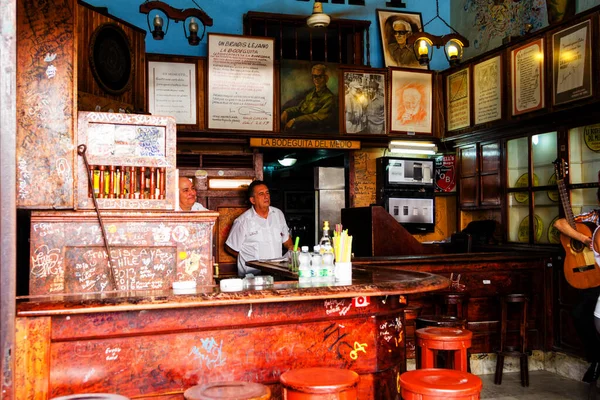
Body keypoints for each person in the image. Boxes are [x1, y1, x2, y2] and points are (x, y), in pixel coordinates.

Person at [553, 175, 600, 383]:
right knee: (580, 313)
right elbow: (560, 223)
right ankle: (596, 359)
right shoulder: (594, 217)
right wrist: (584, 239)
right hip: (594, 277)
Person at [225, 180, 294, 277]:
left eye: (267, 193)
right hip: (253, 276)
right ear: (252, 200)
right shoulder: (243, 221)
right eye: (261, 194)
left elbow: (286, 240)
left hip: (277, 272)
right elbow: (230, 247)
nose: (266, 196)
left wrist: (291, 247)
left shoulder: (278, 214)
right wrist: (246, 258)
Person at [281, 64, 335, 133]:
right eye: (315, 76)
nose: (316, 79)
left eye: (320, 76)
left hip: (316, 133)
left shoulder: (330, 98)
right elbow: (300, 108)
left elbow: (318, 117)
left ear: (326, 78)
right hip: (303, 129)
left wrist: (295, 120)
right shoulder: (310, 94)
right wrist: (287, 112)